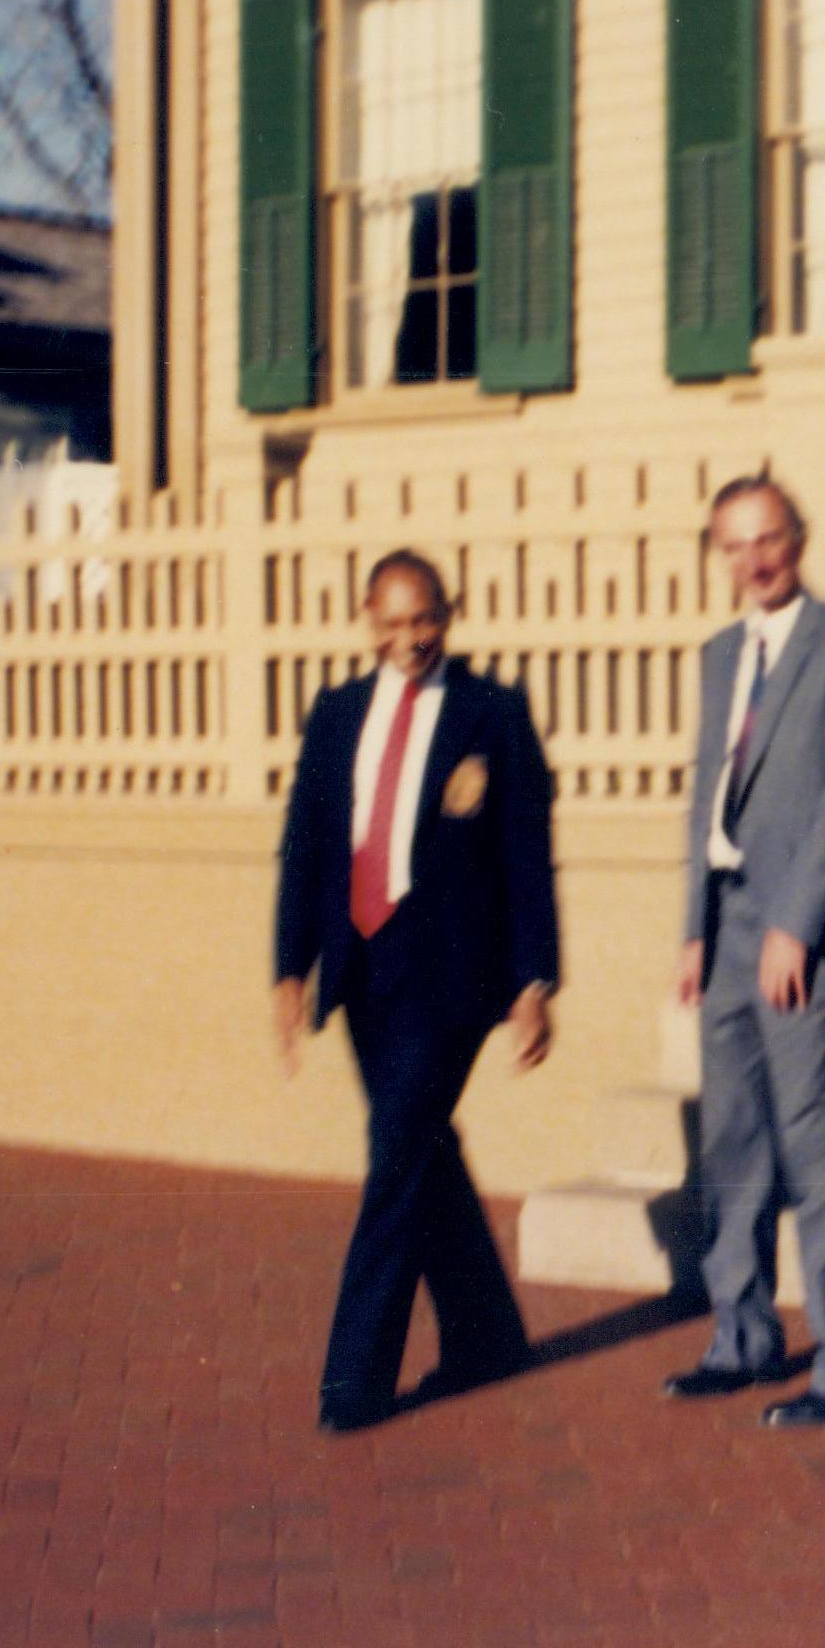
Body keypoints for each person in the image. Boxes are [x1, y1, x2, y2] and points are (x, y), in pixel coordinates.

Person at [272, 549, 558, 1433]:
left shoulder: (492, 714)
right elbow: (306, 846)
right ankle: (488, 1336)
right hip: (361, 968)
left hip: (452, 978)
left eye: (423, 618)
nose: (409, 639)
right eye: (391, 623)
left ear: (449, 612)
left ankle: (353, 1383)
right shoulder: (336, 713)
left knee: (395, 1153)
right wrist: (289, 970)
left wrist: (532, 981)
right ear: (366, 619)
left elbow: (524, 853)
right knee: (418, 1144)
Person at [662, 476, 825, 1424]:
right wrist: (691, 923)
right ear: (718, 554)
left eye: (768, 538)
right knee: (731, 1143)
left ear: (798, 539)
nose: (754, 558)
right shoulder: (721, 654)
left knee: (820, 1144)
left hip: (797, 926)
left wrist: (797, 923)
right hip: (723, 922)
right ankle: (742, 1336)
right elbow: (706, 794)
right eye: (734, 544)